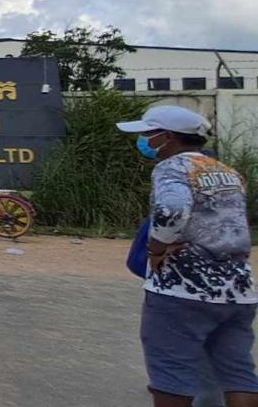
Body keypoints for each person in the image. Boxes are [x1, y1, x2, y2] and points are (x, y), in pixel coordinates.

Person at [117, 106, 258, 406]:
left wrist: (156, 248)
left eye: (147, 134)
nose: (144, 140)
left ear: (166, 137)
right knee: (238, 373)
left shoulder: (172, 168)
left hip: (183, 289)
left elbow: (172, 210)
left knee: (172, 375)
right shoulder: (227, 172)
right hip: (238, 290)